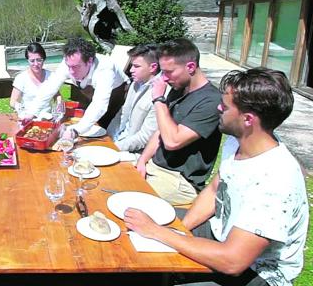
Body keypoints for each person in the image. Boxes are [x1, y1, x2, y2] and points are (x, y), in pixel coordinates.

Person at [125, 67, 308, 286]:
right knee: (132, 219)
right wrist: (180, 229)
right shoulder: (239, 140)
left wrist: (158, 232)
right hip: (220, 232)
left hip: (257, 272)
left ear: (248, 119)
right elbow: (215, 190)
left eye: (226, 106)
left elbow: (233, 261)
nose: (218, 107)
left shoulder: (275, 180)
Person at [135, 38, 222, 205]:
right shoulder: (179, 89)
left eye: (169, 72)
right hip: (156, 167)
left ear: (190, 67)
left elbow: (172, 141)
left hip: (180, 181)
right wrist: (142, 160)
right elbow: (161, 131)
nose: (164, 78)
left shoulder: (211, 102)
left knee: (128, 194)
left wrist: (159, 99)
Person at [22, 37, 128, 139]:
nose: (71, 72)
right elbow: (50, 87)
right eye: (69, 67)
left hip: (117, 95)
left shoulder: (105, 69)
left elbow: (99, 105)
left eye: (76, 67)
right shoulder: (70, 61)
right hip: (89, 91)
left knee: (106, 133)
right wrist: (31, 113)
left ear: (90, 61)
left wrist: (76, 130)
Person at [107, 44, 166, 159]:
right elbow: (122, 113)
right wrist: (107, 137)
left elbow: (145, 137)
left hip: (133, 153)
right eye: (131, 65)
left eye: (136, 66)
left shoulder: (160, 93)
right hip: (115, 141)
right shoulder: (136, 83)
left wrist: (114, 147)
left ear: (153, 67)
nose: (131, 70)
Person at [9, 42, 61, 112]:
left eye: (39, 60)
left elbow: (57, 95)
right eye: (32, 61)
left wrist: (59, 103)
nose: (36, 64)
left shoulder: (51, 76)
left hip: (47, 117)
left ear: (44, 59)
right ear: (27, 61)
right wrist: (18, 107)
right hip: (28, 118)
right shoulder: (21, 78)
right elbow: (12, 102)